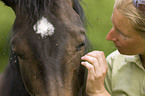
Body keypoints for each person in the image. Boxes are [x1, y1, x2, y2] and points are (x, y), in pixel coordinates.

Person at [81, 0, 145, 96]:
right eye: (114, 25)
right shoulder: (114, 64)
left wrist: (99, 92)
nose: (109, 37)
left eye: (122, 33)